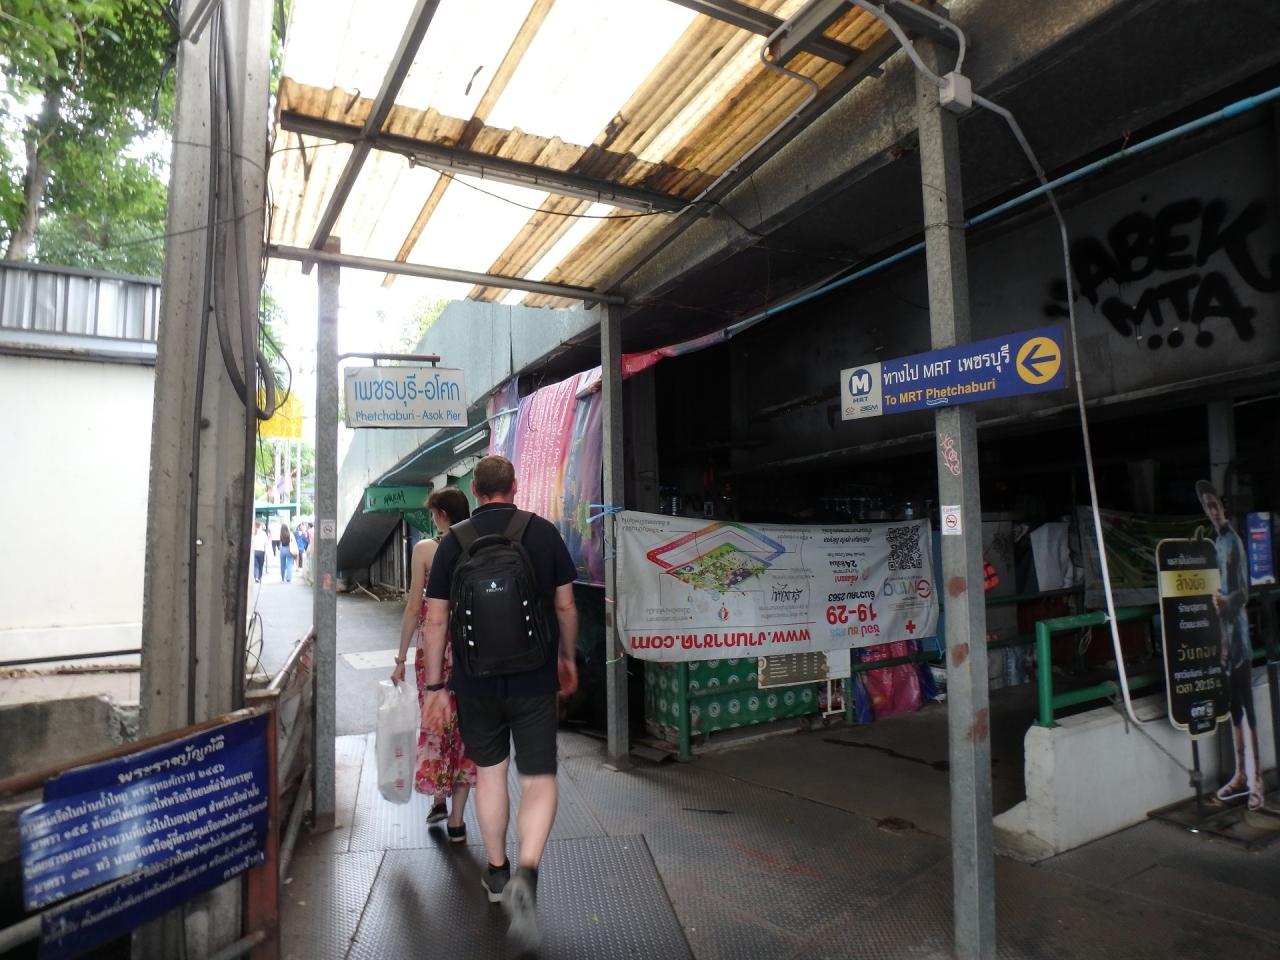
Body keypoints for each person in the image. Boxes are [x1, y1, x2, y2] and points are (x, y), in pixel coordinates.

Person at [420, 456, 578, 954]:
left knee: (490, 775)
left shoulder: (453, 542)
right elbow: (565, 605)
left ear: (475, 489)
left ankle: (496, 872)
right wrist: (567, 657)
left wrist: (435, 687)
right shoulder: (543, 533)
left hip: (475, 682)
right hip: (534, 679)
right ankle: (528, 870)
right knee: (538, 779)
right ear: (514, 486)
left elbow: (436, 621)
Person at [390, 488, 476, 840]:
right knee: (468, 730)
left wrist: (400, 659)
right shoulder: (479, 545)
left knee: (437, 724)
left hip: (434, 652)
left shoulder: (426, 550)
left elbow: (414, 608)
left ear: (441, 515)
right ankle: (457, 821)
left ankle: (439, 797)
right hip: (473, 650)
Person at [1197, 479, 1264, 811]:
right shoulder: (1214, 543)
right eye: (1206, 506)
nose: (1212, 510)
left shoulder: (1233, 541)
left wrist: (1225, 602)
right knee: (1234, 708)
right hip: (1223, 637)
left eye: (1214, 504)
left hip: (1238, 637)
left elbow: (1243, 592)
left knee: (1246, 707)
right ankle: (1242, 775)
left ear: (1222, 505)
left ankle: (1256, 782)